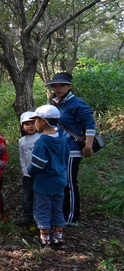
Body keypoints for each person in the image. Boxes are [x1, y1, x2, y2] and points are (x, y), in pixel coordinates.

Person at [47, 72, 96, 225]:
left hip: (73, 149)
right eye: (55, 85)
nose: (57, 88)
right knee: (62, 182)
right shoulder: (58, 103)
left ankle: (72, 217)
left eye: (61, 85)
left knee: (69, 182)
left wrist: (88, 146)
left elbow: (90, 124)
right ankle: (62, 213)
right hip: (61, 148)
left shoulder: (77, 103)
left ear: (69, 86)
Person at [27, 105, 70, 249]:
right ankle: (58, 237)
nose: (35, 123)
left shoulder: (42, 141)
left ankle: (45, 238)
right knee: (57, 208)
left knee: (42, 209)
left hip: (44, 183)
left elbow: (38, 164)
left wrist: (30, 170)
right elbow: (65, 157)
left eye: (36, 120)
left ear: (43, 121)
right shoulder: (62, 139)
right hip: (60, 181)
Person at [18, 111, 41, 225]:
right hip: (28, 174)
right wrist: (24, 170)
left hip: (40, 174)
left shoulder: (41, 138)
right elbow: (22, 156)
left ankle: (40, 217)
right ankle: (28, 217)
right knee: (28, 196)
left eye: (32, 123)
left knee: (39, 196)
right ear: (22, 126)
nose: (30, 126)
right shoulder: (22, 141)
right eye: (26, 124)